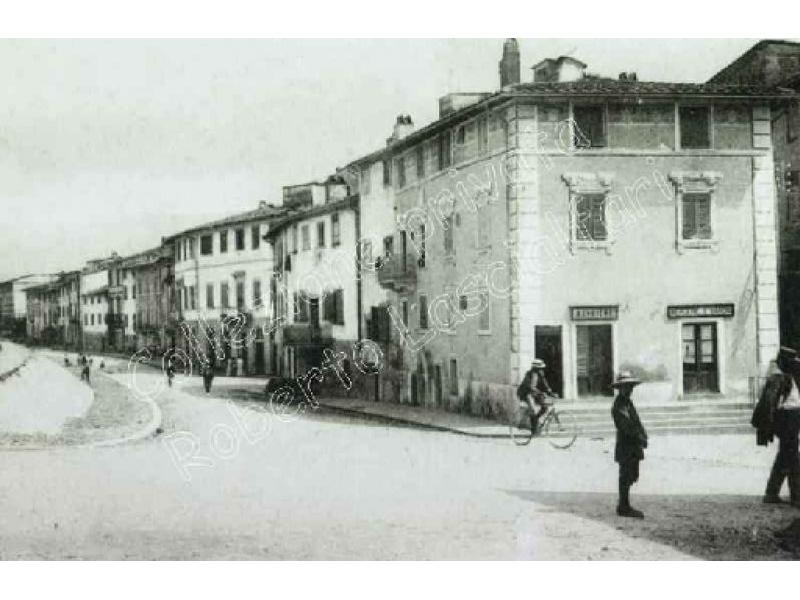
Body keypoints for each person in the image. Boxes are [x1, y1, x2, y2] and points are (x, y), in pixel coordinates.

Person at [754, 347, 800, 505]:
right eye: (793, 361)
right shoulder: (778, 378)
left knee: (785, 456)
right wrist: (768, 426)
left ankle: (771, 493)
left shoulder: (787, 376)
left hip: (791, 417)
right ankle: (796, 496)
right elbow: (769, 404)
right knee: (792, 457)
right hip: (787, 418)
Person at [611, 370, 648, 519]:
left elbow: (636, 421)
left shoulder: (628, 402)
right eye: (627, 386)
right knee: (625, 476)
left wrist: (643, 434)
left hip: (633, 445)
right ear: (620, 388)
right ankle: (623, 506)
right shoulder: (619, 405)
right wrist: (638, 436)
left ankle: (624, 504)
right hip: (626, 444)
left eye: (631, 386)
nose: (630, 389)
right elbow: (626, 426)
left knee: (632, 474)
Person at [517, 359, 555, 434]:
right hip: (526, 393)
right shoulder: (529, 374)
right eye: (539, 368)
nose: (541, 369)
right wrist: (540, 392)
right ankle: (533, 427)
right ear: (535, 368)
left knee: (545, 407)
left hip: (535, 393)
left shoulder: (541, 374)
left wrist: (550, 392)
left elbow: (545, 384)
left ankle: (536, 421)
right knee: (533, 410)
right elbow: (529, 387)